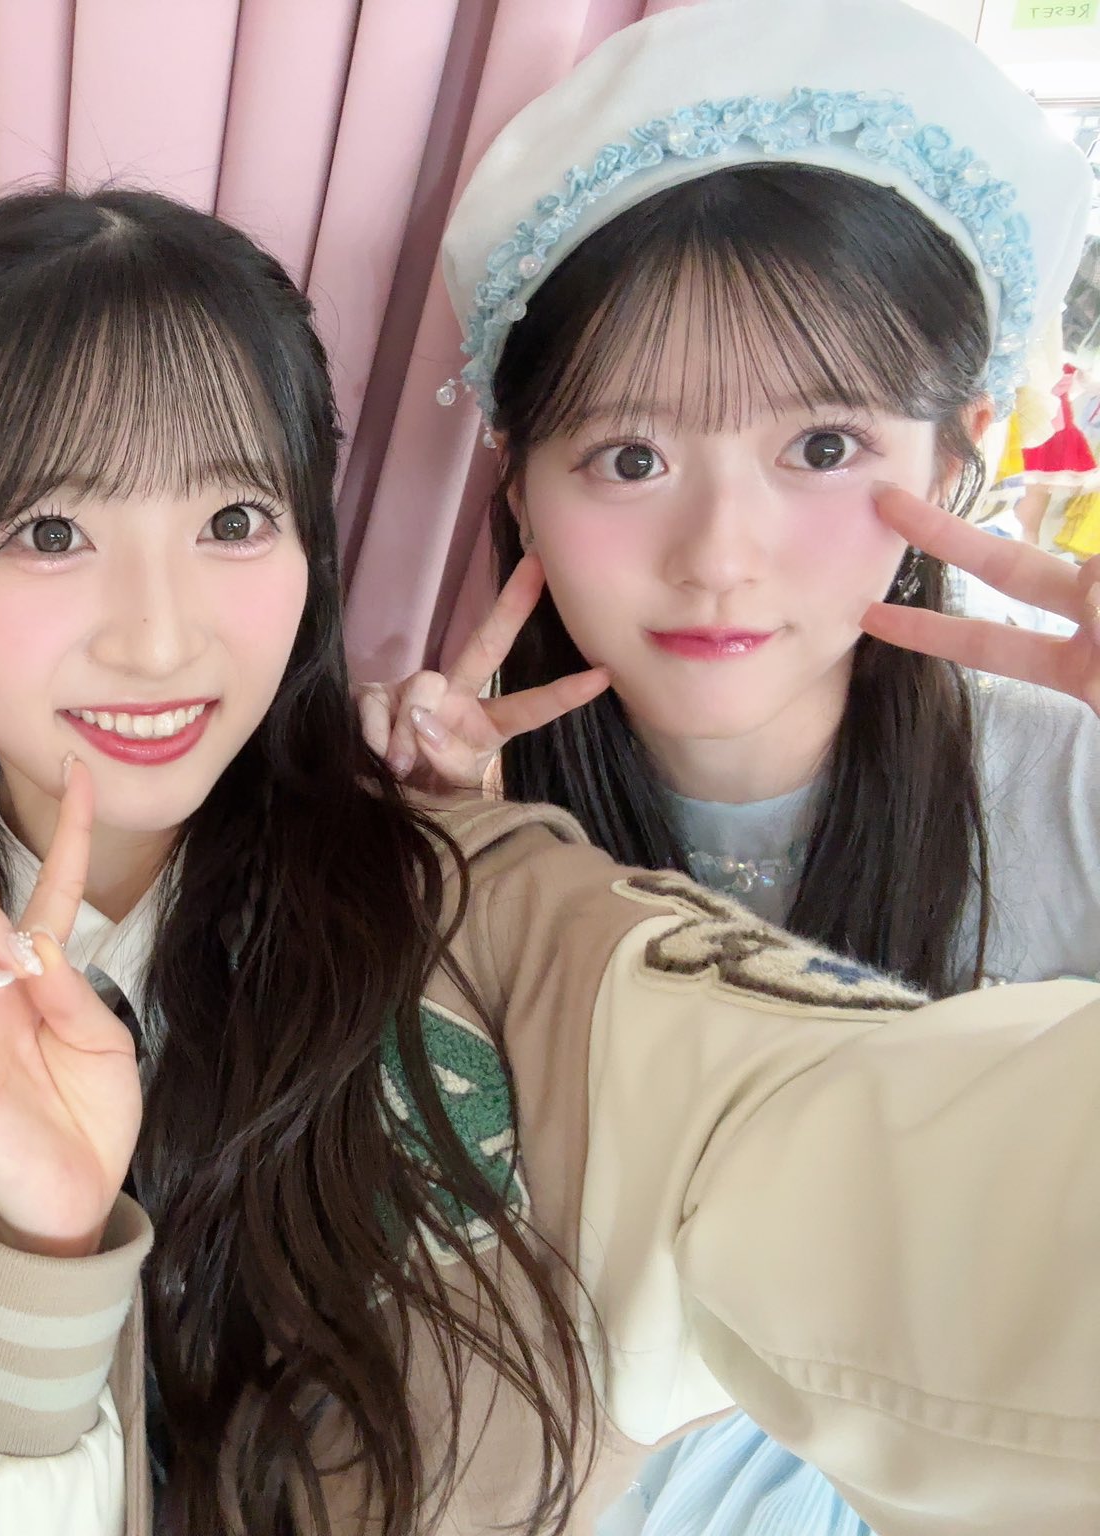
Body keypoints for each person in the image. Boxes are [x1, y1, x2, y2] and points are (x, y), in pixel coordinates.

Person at [0, 181, 1100, 1536]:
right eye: (51, 533)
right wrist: (25, 1266)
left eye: (235, 517)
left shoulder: (495, 914)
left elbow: (886, 1159)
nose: (160, 635)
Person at [355, 0, 1097, 1529]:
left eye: (821, 448)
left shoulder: (1068, 793)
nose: (718, 556)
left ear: (957, 451)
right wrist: (449, 885)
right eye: (630, 458)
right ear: (519, 482)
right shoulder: (445, 817)